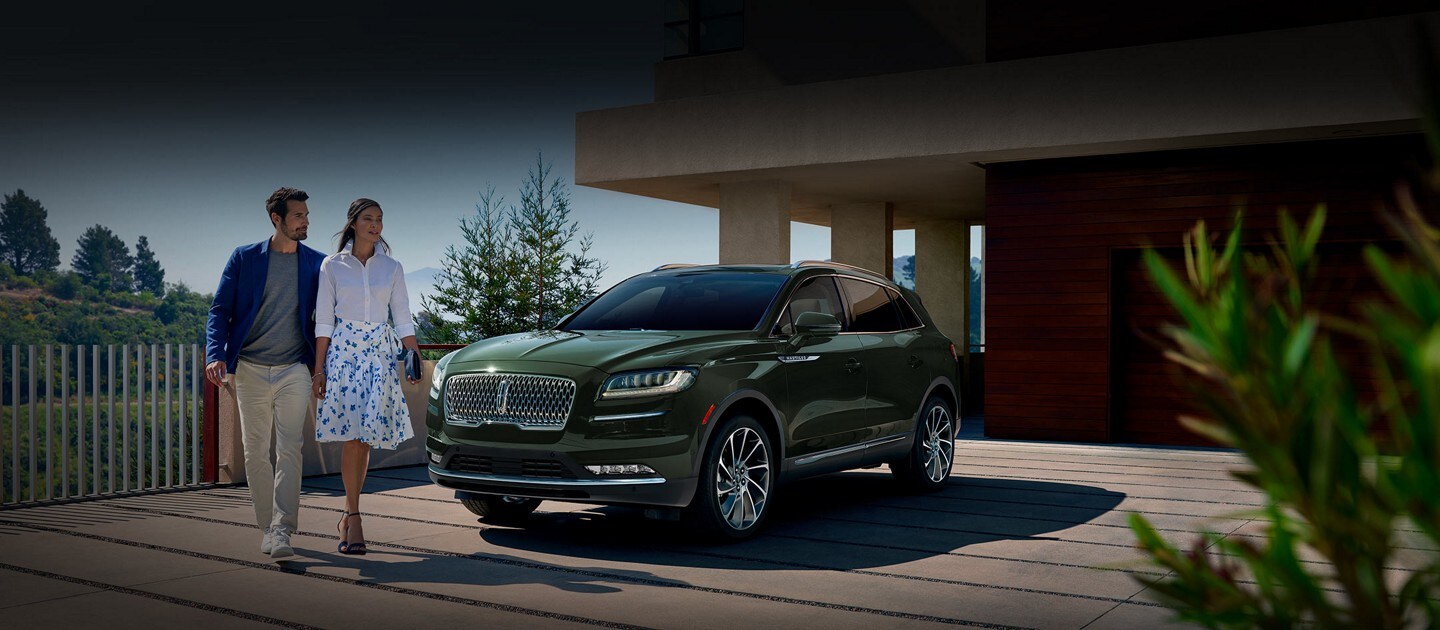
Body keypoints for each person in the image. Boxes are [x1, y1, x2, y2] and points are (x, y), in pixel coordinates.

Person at [206, 187, 326, 560]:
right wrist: (215, 354)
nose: (306, 221)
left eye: (306, 214)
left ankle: (281, 528)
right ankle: (267, 526)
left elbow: (329, 318)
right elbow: (219, 310)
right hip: (251, 370)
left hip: (294, 368)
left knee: (291, 448)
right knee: (255, 451)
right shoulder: (244, 259)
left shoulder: (317, 263)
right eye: (298, 216)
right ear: (277, 219)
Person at [313, 197, 420, 555]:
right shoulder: (332, 266)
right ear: (353, 223)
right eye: (368, 219)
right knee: (352, 436)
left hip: (379, 354)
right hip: (343, 355)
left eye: (380, 220)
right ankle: (354, 516)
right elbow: (324, 321)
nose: (375, 225)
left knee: (367, 434)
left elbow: (402, 315)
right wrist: (319, 368)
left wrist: (414, 353)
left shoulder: (392, 267)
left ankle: (348, 513)